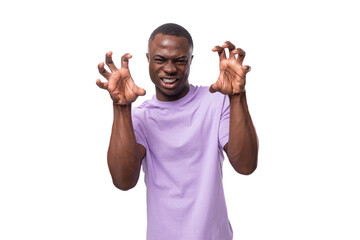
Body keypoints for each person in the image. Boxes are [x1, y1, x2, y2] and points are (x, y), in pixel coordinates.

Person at [96, 23, 258, 240]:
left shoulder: (216, 102)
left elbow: (246, 165)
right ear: (148, 59)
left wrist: (237, 95)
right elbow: (123, 181)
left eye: (180, 60)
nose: (170, 69)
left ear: (190, 60)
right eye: (160, 59)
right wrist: (121, 107)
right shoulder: (140, 118)